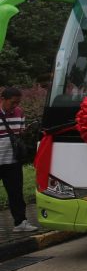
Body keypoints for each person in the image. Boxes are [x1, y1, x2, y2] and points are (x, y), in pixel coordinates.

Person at [0, 86, 37, 233]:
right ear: (3, 99)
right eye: (13, 102)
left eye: (18, 103)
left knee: (16, 193)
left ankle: (21, 222)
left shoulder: (19, 113)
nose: (15, 106)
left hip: (13, 161)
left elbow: (19, 133)